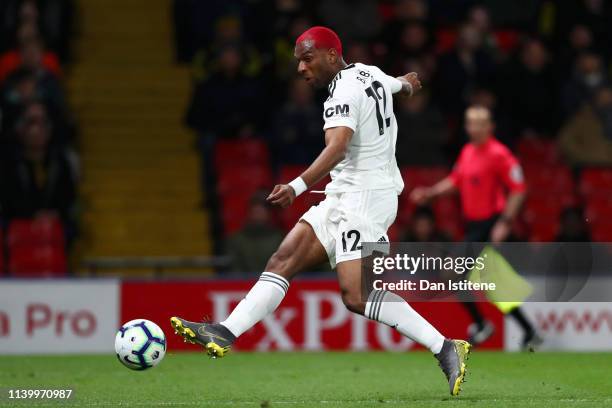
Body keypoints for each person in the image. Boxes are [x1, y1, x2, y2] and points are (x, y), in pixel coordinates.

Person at [171, 26, 471, 397]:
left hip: (367, 198)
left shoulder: (342, 90)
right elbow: (398, 84)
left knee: (357, 295)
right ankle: (225, 330)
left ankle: (444, 346)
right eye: (298, 60)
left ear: (332, 55)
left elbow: (339, 146)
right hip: (344, 193)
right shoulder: (369, 72)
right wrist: (408, 83)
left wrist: (296, 186)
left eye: (307, 58)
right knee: (283, 258)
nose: (300, 68)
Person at [410, 105, 541, 349]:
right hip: (473, 227)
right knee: (495, 284)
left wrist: (504, 223)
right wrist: (431, 193)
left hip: (489, 225)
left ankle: (482, 324)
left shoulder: (499, 154)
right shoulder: (468, 151)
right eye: (470, 122)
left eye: (479, 123)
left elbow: (518, 189)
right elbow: (456, 180)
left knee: (452, 272)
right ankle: (529, 331)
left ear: (490, 127)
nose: (473, 127)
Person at [226, 192, 284, 273]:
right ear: (250, 213)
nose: (258, 214)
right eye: (256, 211)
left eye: (261, 210)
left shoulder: (279, 238)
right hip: (243, 283)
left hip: (272, 282)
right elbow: (235, 269)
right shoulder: (237, 240)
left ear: (268, 214)